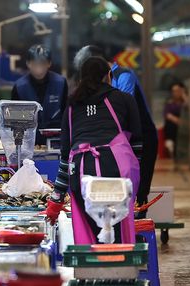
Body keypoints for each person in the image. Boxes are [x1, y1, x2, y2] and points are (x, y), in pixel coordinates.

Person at [45, 56, 142, 245]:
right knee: (118, 234)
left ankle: (92, 272)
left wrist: (55, 201)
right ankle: (121, 271)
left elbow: (65, 157)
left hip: (82, 173)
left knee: (92, 236)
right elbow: (137, 144)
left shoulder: (72, 104)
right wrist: (136, 187)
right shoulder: (124, 99)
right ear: (109, 76)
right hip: (117, 172)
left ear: (81, 78)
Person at [73, 45, 158, 208]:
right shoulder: (99, 85)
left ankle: (137, 227)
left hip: (141, 138)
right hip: (120, 142)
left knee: (137, 190)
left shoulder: (124, 75)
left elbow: (121, 114)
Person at [11, 45, 68, 145]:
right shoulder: (19, 86)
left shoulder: (61, 83)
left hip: (56, 140)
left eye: (42, 63)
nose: (39, 68)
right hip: (28, 141)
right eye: (35, 64)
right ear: (28, 63)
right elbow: (14, 120)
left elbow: (66, 113)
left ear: (49, 63)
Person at [163, 82, 188, 159]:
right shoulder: (169, 103)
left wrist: (184, 95)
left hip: (186, 124)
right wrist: (179, 121)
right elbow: (168, 115)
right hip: (174, 125)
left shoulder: (185, 102)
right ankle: (171, 146)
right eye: (173, 91)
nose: (175, 93)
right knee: (170, 124)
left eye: (177, 91)